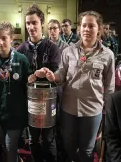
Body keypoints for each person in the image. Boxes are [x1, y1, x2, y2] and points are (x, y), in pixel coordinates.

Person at [43, 10, 115, 162]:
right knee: (68, 144)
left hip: (92, 109)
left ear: (99, 29)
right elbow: (61, 74)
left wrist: (107, 111)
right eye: (84, 25)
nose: (87, 29)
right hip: (69, 108)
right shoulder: (68, 51)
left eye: (91, 26)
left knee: (87, 149)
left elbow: (109, 86)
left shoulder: (107, 55)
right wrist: (53, 76)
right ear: (79, 28)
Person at [0, 21, 32, 162]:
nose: (0, 42)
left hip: (15, 114)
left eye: (4, 38)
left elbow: (28, 88)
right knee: (4, 145)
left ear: (11, 38)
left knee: (10, 146)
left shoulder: (21, 60)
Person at [17, 4, 61, 162]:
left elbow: (58, 74)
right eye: (28, 23)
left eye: (34, 22)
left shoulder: (52, 47)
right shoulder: (21, 50)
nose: (30, 26)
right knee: (33, 138)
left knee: (49, 138)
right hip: (30, 100)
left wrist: (51, 75)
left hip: (49, 99)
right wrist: (32, 75)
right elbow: (19, 77)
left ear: (41, 23)